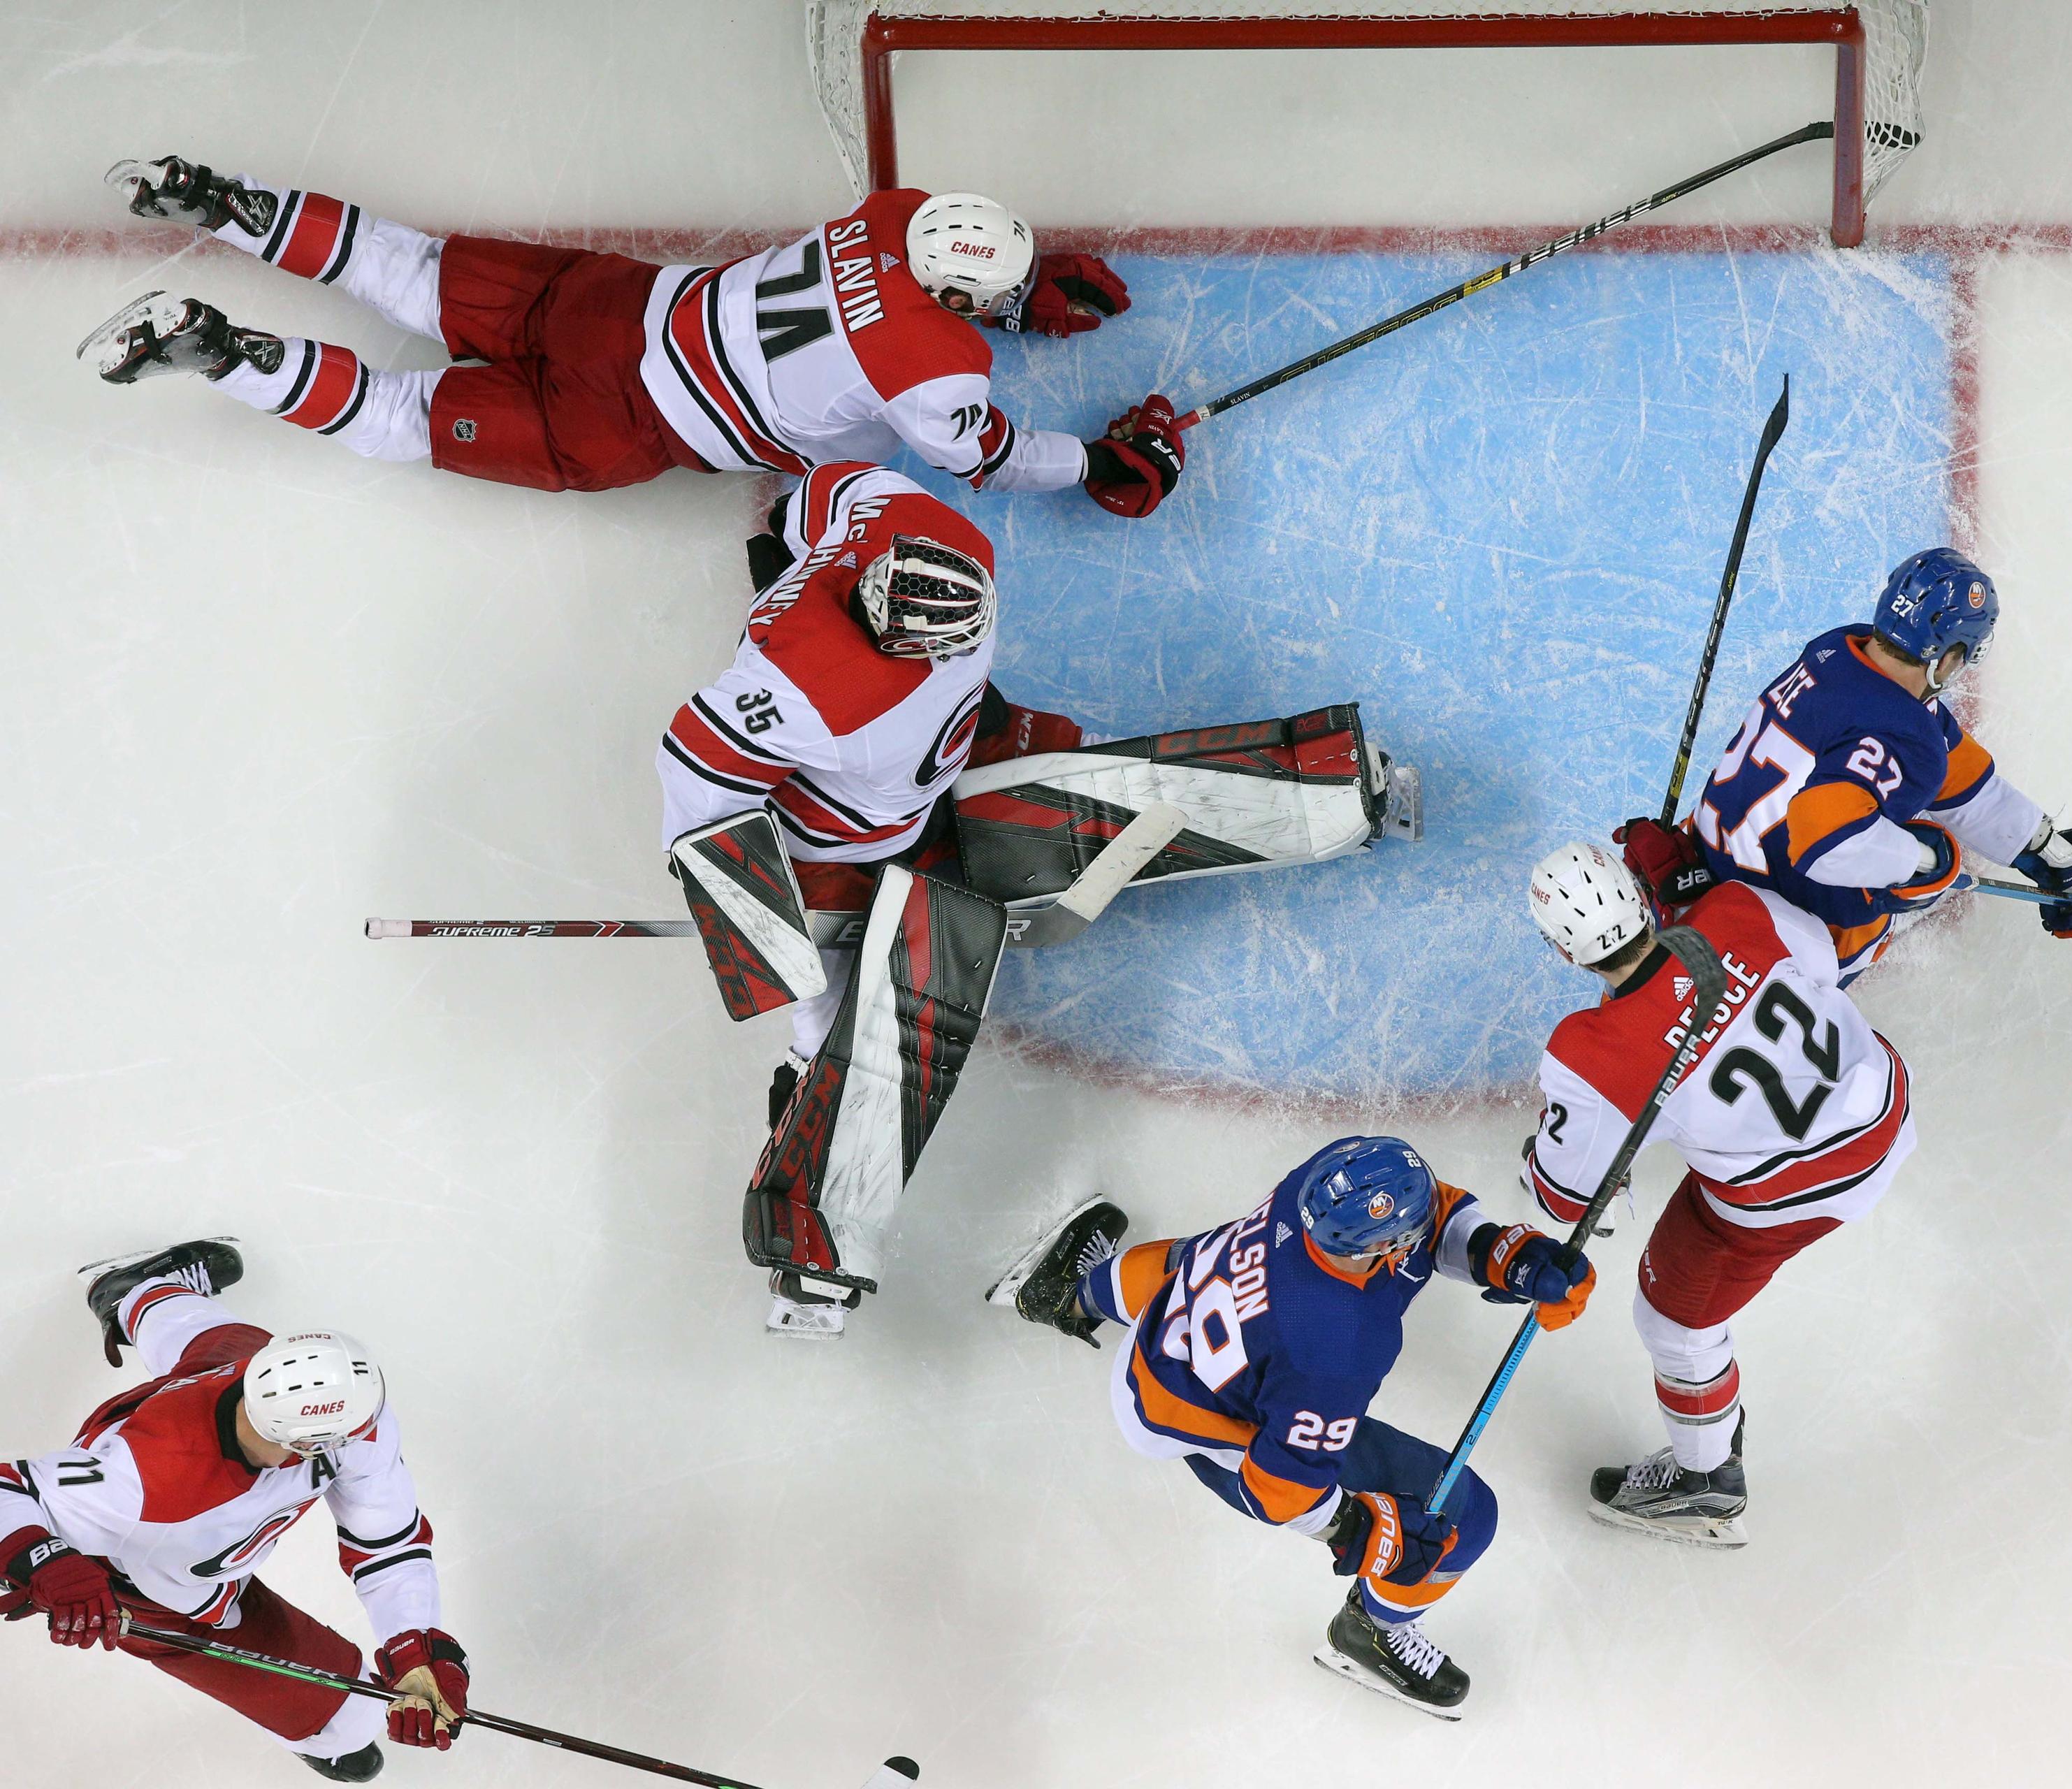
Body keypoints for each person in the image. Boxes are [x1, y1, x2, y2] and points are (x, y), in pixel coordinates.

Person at [659, 463, 1413, 1340]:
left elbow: (827, 491)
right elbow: (693, 767)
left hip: (934, 777)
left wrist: (793, 530)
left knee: (1092, 806)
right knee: (841, 1007)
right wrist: (731, 880)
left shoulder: (911, 524)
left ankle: (1329, 792)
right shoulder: (815, 676)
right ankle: (814, 1190)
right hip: (839, 845)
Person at [78, 156, 1186, 516]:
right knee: (399, 418)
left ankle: (226, 200)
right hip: (625, 425)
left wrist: (1021, 275)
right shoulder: (939, 364)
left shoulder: (901, 212)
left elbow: (930, 265)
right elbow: (984, 455)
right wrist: (1098, 458)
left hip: (617, 304)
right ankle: (220, 352)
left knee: (405, 268)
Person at [999, 1137, 1595, 1717]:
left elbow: (1431, 1212)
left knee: (1198, 1260)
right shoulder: (1335, 1350)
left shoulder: (1313, 1186)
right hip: (1185, 1418)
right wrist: (1368, 1533)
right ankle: (1373, 1633)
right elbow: (1280, 1492)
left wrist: (1503, 1253)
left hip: (1170, 1329)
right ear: (1381, 1248)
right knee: (1466, 1517)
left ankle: (1070, 1293)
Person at [1522, 842, 1913, 1548]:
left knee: (1674, 1321)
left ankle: (1705, 1483)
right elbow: (1828, 966)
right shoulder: (1736, 906)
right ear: (1641, 895)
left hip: (1791, 1196)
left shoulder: (1590, 1051)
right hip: (1882, 1104)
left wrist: (1547, 1157)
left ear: (1560, 952)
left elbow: (1567, 1199)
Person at [0, 1240, 465, 1781]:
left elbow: (388, 1544)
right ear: (304, 1445)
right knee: (351, 1718)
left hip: (210, 1391)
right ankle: (326, 1731)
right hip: (148, 1589)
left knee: (216, 1340)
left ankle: (141, 1291)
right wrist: (47, 1564)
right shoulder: (144, 1480)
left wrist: (415, 1645)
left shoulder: (314, 1392)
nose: (365, 1441)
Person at [1615, 548, 2072, 980]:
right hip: (1778, 952)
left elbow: (1967, 785)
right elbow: (1827, 840)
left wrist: (2054, 857)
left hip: (1699, 882)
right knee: (1866, 910)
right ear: (1946, 658)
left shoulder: (1839, 651)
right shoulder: (1902, 736)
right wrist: (1927, 864)